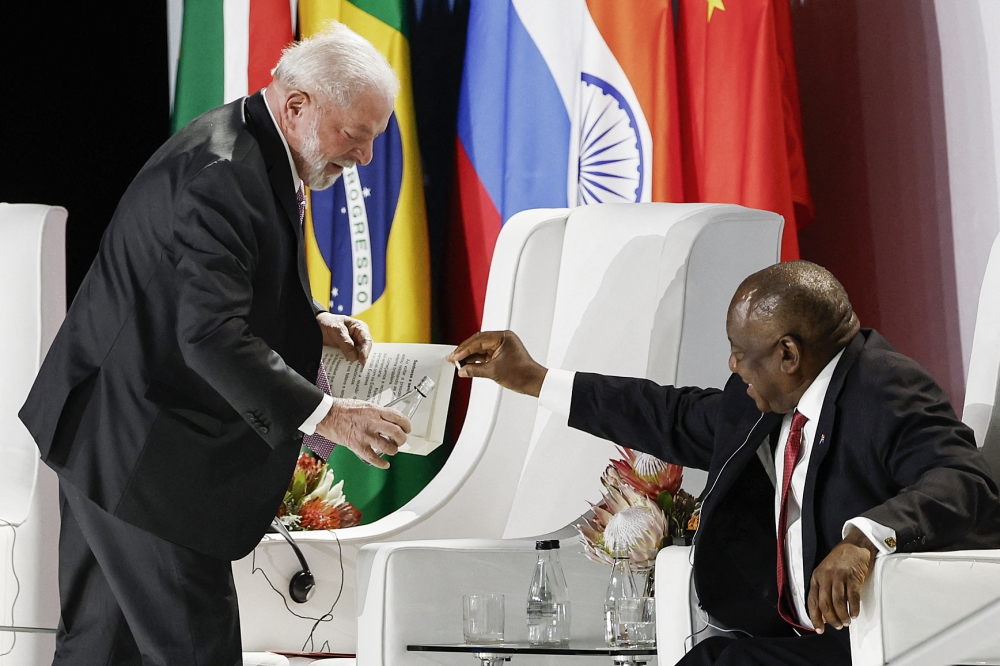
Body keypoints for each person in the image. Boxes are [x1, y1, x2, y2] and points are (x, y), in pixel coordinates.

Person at [18, 23, 411, 665]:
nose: (366, 158)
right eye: (357, 135)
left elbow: (202, 287)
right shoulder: (224, 173)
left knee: (96, 653)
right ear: (297, 106)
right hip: (144, 457)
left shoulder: (255, 146)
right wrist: (328, 414)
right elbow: (208, 335)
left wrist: (311, 321)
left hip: (107, 436)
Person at [447, 260, 1000, 665]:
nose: (732, 363)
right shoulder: (771, 393)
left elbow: (966, 479)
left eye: (739, 350)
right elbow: (669, 415)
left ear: (788, 353)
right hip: (790, 637)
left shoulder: (885, 388)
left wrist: (863, 540)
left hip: (884, 643)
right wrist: (535, 379)